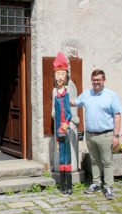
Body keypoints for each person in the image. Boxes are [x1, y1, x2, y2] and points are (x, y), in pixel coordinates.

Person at [72, 69, 122, 200]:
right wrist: (62, 94)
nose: (96, 82)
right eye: (94, 80)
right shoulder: (87, 94)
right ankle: (96, 184)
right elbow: (75, 102)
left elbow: (117, 116)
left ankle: (109, 187)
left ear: (104, 80)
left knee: (107, 162)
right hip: (90, 135)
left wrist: (116, 136)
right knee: (94, 161)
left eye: (98, 80)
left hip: (106, 135)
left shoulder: (111, 95)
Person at [51, 52, 73, 195]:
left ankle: (69, 186)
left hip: (64, 127)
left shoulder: (67, 92)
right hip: (58, 129)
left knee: (67, 155)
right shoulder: (55, 92)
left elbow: (69, 112)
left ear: (66, 76)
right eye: (57, 74)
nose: (59, 77)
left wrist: (66, 124)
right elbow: (54, 111)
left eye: (62, 74)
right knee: (61, 155)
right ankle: (62, 186)